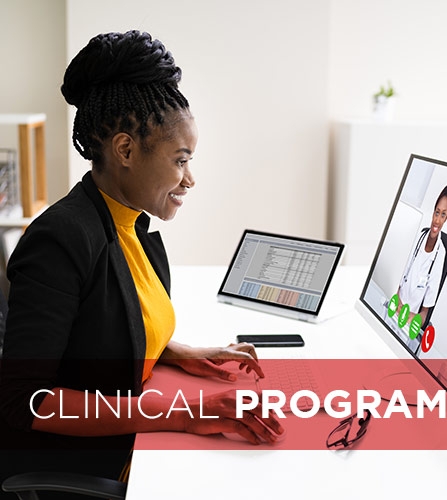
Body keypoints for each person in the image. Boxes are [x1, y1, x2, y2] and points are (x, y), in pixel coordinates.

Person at [0, 30, 282, 491]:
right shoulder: (63, 238)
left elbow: (98, 326)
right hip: (87, 465)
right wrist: (187, 413)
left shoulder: (130, 224)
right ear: (126, 150)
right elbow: (27, 401)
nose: (189, 179)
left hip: (134, 431)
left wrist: (180, 353)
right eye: (180, 160)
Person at [396, 184, 447, 327]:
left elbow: (425, 313)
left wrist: (413, 319)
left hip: (407, 323)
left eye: (443, 214)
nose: (437, 220)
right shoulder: (417, 237)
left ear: (446, 217)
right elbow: (397, 279)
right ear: (433, 212)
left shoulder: (440, 254)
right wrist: (397, 300)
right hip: (393, 306)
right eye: (437, 212)